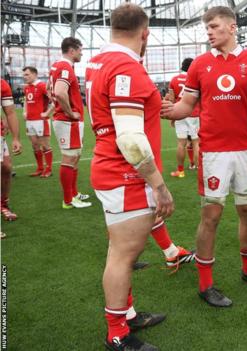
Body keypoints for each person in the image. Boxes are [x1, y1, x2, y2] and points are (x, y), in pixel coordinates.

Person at [161, 6, 247, 308]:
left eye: (214, 26)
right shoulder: (199, 64)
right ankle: (205, 284)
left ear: (232, 26)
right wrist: (167, 110)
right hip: (212, 153)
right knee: (210, 216)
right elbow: (186, 105)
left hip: (246, 151)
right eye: (207, 28)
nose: (209, 32)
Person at [86, 3, 174, 350]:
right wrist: (159, 184)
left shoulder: (101, 60)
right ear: (145, 32)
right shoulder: (126, 66)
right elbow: (130, 138)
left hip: (112, 171)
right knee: (123, 255)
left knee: (123, 251)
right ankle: (117, 334)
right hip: (124, 174)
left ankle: (128, 314)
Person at [49, 37, 92, 208]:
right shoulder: (64, 66)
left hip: (68, 121)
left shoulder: (58, 66)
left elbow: (49, 89)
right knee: (69, 158)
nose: (82, 53)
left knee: (75, 156)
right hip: (68, 121)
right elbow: (59, 92)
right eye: (80, 49)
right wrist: (70, 112)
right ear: (72, 50)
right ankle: (68, 200)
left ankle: (74, 194)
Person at [167, 57, 199, 177]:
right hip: (195, 114)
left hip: (180, 113)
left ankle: (180, 172)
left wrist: (172, 118)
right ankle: (199, 170)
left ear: (182, 66)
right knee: (196, 143)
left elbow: (171, 99)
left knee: (181, 144)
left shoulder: (174, 79)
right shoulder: (196, 78)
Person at [22, 66, 54, 178]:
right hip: (30, 121)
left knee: (45, 145)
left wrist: (47, 113)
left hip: (41, 121)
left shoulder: (42, 86)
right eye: (24, 75)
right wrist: (24, 112)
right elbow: (26, 100)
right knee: (35, 145)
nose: (24, 77)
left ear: (35, 74)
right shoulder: (26, 87)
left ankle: (49, 169)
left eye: (27, 74)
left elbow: (54, 99)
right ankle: (40, 168)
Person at [1, 79, 22, 227]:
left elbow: (10, 112)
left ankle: (3, 204)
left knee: (6, 168)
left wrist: (16, 138)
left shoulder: (2, 84)